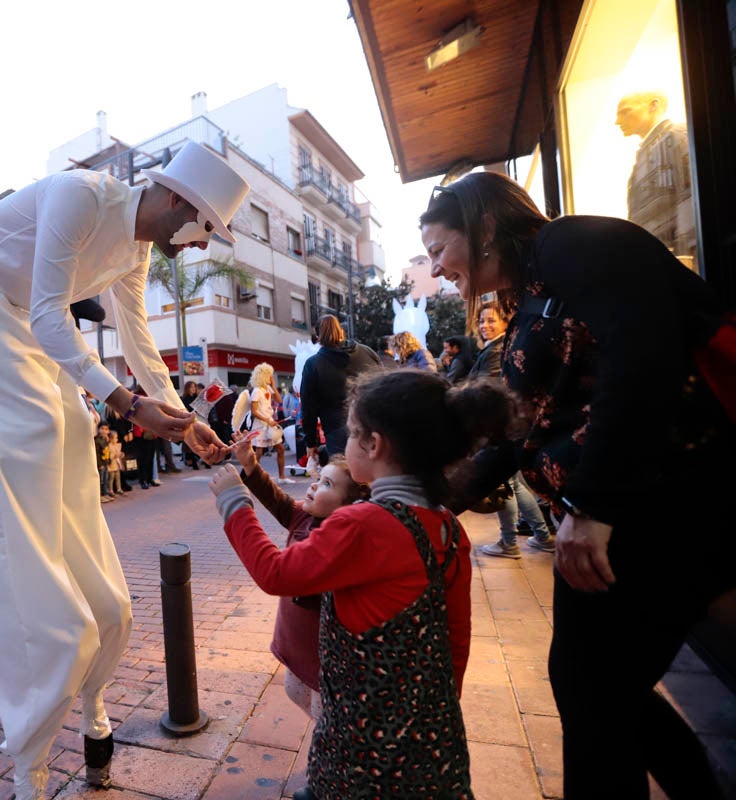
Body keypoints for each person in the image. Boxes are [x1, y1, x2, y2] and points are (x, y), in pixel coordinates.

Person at [0, 140, 242, 799]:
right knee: (39, 424)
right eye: (206, 229)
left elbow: (137, 339)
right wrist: (124, 401)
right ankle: (40, 622)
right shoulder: (81, 195)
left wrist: (184, 419)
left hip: (9, 310)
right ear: (180, 202)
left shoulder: (137, 248)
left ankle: (86, 628)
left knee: (73, 422)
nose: (202, 246)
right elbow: (48, 313)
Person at [422, 171, 734, 799]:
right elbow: (518, 433)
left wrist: (594, 505)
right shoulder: (532, 293)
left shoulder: (573, 245)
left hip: (667, 507)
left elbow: (643, 361)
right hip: (614, 521)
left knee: (593, 688)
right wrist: (424, 501)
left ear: (482, 227)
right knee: (593, 686)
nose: (436, 270)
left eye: (438, 250)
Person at [211, 370, 505, 799]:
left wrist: (233, 503)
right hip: (433, 744)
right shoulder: (447, 527)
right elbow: (456, 636)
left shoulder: (364, 523)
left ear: (374, 444)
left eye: (352, 432)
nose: (345, 443)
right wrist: (442, 711)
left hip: (362, 750)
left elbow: (276, 573)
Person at [228, 430, 368, 722]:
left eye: (327, 484)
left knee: (325, 719)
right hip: (295, 646)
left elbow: (276, 574)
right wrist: (251, 465)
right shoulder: (303, 515)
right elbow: (277, 501)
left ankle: (326, 763)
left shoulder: (339, 540)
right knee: (297, 695)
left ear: (350, 507)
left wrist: (233, 503)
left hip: (322, 661)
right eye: (318, 478)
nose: (315, 486)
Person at [466, 303, 554, 557]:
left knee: (505, 485)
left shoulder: (497, 349)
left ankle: (510, 541)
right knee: (513, 485)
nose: (485, 326)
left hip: (496, 425)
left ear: (506, 322)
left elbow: (487, 388)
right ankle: (540, 536)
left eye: (491, 320)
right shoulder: (493, 347)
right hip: (499, 424)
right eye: (482, 321)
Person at [616, 90, 695, 267]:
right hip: (659, 261)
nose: (618, 121)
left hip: (680, 262)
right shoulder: (647, 152)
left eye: (625, 111)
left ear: (654, 105)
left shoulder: (676, 136)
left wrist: (685, 255)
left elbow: (689, 197)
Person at [300, 314, 380, 462]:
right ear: (341, 332)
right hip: (373, 425)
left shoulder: (313, 365)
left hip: (337, 431)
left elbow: (308, 408)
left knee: (345, 479)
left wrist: (311, 442)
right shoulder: (367, 352)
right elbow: (383, 387)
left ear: (318, 337)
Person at [248, 363, 288, 482]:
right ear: (263, 375)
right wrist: (266, 420)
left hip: (270, 422)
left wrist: (274, 386)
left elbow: (279, 400)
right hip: (260, 424)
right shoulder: (256, 391)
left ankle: (282, 477)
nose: (271, 377)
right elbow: (254, 411)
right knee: (259, 452)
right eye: (269, 375)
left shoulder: (267, 388)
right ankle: (253, 477)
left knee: (280, 448)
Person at [106, 431, 124, 497]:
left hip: (117, 464)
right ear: (110, 439)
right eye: (115, 438)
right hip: (111, 464)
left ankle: (119, 488)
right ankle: (110, 490)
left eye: (117, 438)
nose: (116, 439)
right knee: (111, 478)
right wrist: (115, 455)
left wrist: (121, 454)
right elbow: (109, 456)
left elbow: (119, 454)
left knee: (118, 477)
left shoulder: (117, 445)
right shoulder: (109, 446)